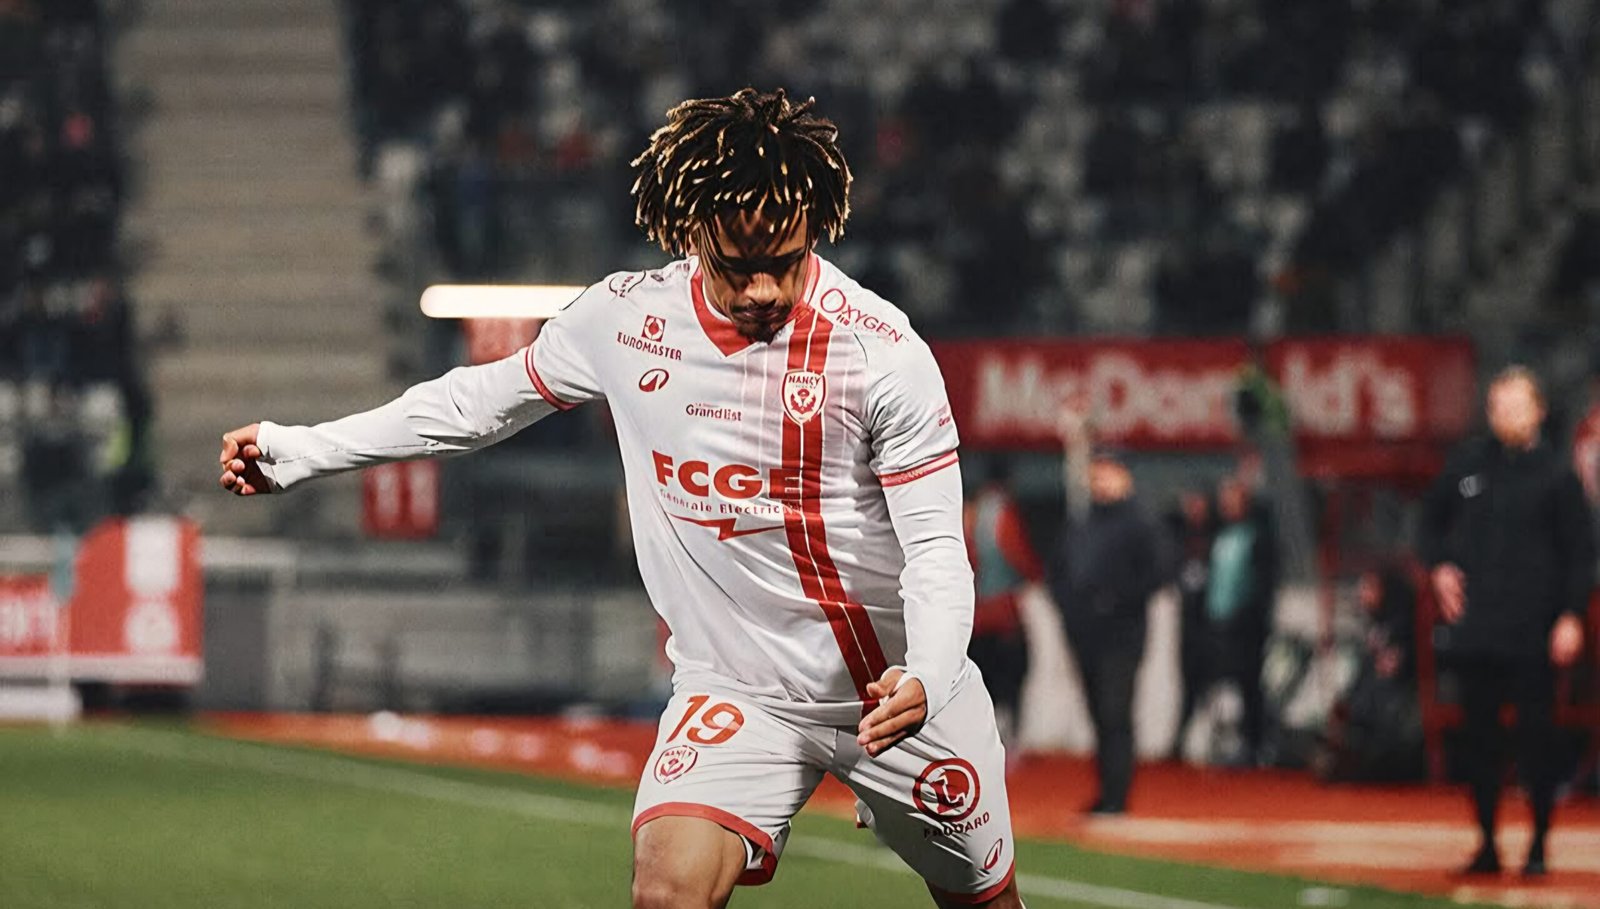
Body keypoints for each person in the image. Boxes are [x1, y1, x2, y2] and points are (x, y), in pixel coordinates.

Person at [216, 88, 1022, 908]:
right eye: (738, 267)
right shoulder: (625, 322)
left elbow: (935, 551)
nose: (765, 289)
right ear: (691, 233)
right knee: (667, 889)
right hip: (736, 691)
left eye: (786, 260)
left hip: (896, 694)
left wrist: (928, 673)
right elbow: (474, 405)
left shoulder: (882, 354)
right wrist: (303, 449)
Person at [1421, 366, 1595, 878]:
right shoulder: (1469, 468)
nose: (1507, 416)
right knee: (1478, 741)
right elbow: (1430, 522)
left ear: (1538, 411)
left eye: (1517, 406)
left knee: (1537, 738)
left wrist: (1571, 616)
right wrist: (1439, 567)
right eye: (1499, 406)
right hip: (1477, 630)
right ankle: (1487, 842)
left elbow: (1580, 554)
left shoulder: (1557, 477)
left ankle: (1538, 841)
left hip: (1532, 631)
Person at [1049, 445, 1165, 816]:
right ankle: (1106, 791)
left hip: (1122, 635)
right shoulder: (1082, 523)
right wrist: (1071, 609)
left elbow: (1159, 572)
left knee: (1115, 712)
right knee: (1098, 714)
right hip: (1086, 635)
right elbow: (1059, 571)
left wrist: (1114, 599)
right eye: (1096, 474)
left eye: (1107, 473)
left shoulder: (1141, 523)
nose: (1100, 481)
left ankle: (1117, 794)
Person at [1198, 476, 1280, 766]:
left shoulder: (1257, 536)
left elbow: (1263, 584)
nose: (1226, 505)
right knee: (1221, 684)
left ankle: (1253, 743)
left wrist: (1252, 617)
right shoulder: (1220, 536)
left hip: (1246, 627)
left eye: (1233, 500)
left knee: (1248, 684)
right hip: (1218, 623)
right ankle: (1225, 741)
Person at [964, 461, 1044, 755]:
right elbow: (1016, 553)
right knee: (1008, 678)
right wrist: (1036, 575)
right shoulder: (1001, 514)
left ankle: (979, 737)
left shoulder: (968, 512)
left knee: (980, 679)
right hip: (1000, 613)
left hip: (972, 614)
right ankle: (1004, 740)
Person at [1165, 489, 1213, 760]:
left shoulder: (1216, 537)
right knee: (1188, 683)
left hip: (1215, 626)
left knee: (1213, 686)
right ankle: (1182, 739)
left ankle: (1214, 742)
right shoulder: (1179, 538)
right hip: (1189, 625)